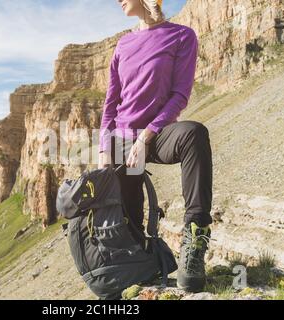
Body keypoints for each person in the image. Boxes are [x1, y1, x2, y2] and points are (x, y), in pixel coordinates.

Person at [97, 0, 213, 293]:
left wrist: (147, 134)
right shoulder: (123, 45)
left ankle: (194, 242)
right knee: (127, 209)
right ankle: (140, 262)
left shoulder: (182, 36)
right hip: (122, 140)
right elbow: (111, 103)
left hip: (158, 134)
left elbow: (180, 95)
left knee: (194, 134)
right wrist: (103, 148)